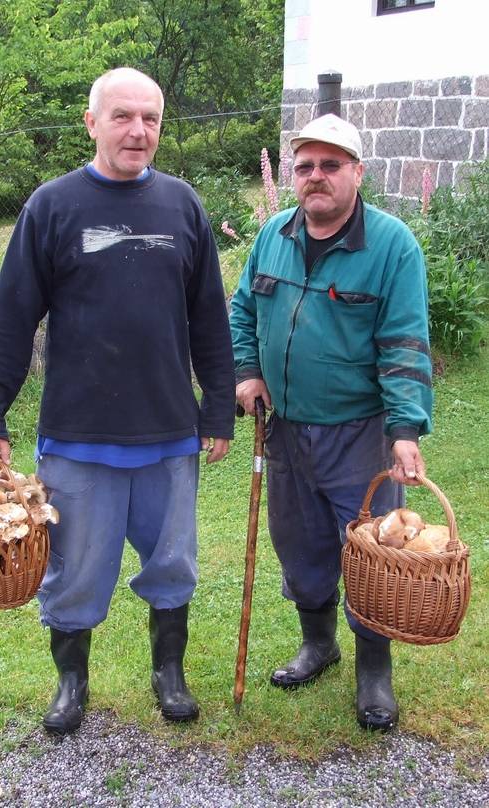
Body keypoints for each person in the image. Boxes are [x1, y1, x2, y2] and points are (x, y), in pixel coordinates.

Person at [0, 67, 235, 735]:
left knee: (173, 564)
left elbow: (209, 317)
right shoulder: (53, 207)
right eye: (122, 116)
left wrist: (218, 406)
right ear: (91, 123)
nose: (137, 130)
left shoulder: (183, 206)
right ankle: (71, 683)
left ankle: (167, 675)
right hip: (78, 436)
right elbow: (11, 317)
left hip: (169, 434)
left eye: (149, 118)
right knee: (77, 574)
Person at [230, 113, 432, 731]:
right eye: (305, 166)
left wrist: (404, 430)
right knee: (299, 544)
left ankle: (375, 669)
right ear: (293, 175)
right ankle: (318, 644)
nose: (315, 177)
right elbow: (241, 309)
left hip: (359, 433)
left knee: (371, 551)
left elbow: (403, 344)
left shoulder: (392, 246)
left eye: (330, 165)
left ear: (357, 173)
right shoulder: (273, 237)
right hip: (284, 428)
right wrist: (247, 373)